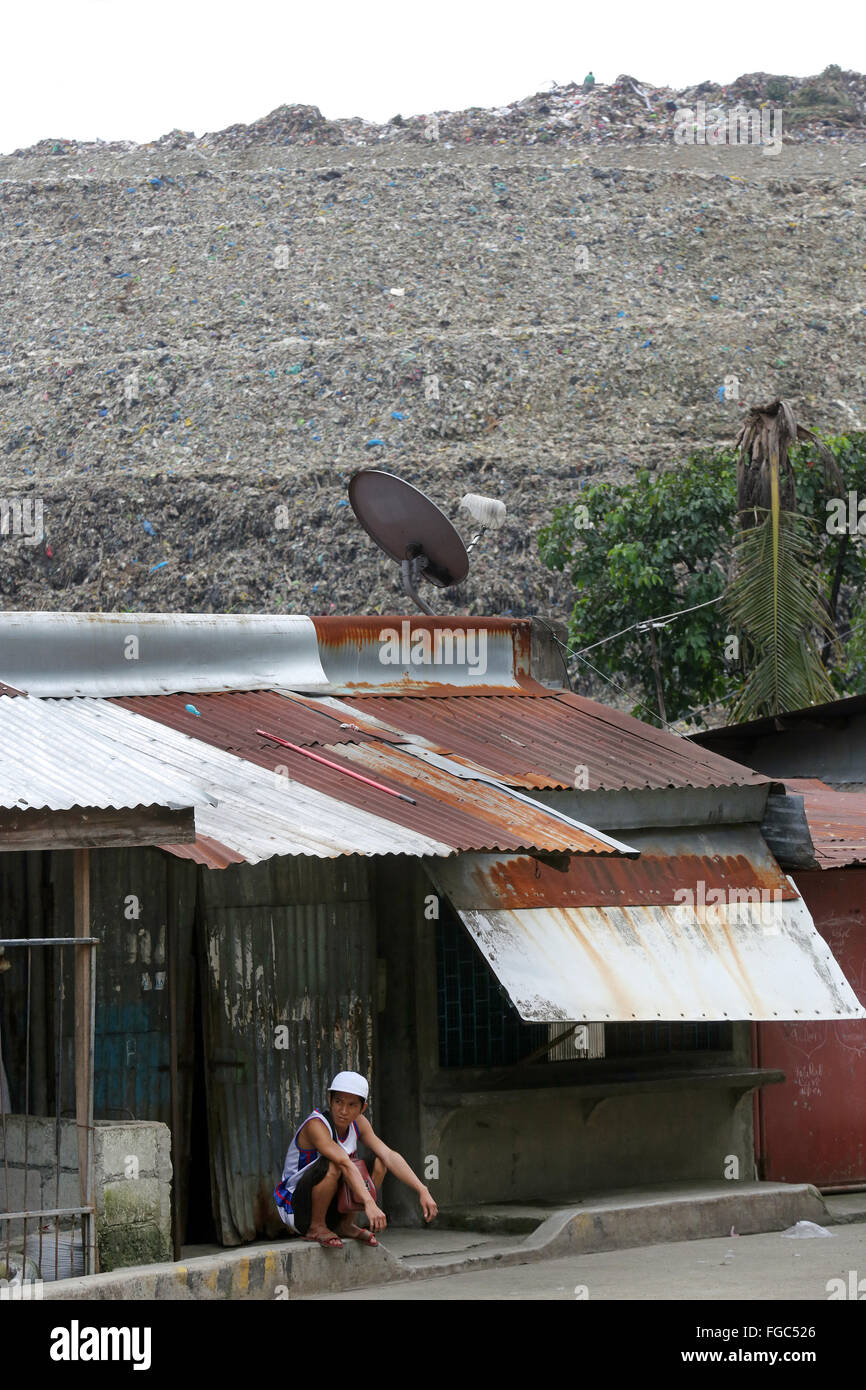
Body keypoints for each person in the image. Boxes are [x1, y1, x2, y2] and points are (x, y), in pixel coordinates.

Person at [274, 1071, 438, 1248]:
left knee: (379, 1162)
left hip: (331, 1204)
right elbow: (343, 1163)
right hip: (297, 1208)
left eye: (352, 1105)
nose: (343, 1111)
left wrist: (422, 1189)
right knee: (336, 1164)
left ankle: (345, 1224)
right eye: (338, 1102)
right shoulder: (316, 1125)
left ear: (362, 1108)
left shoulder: (359, 1123)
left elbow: (389, 1155)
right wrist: (369, 1203)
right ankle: (317, 1227)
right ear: (330, 1099)